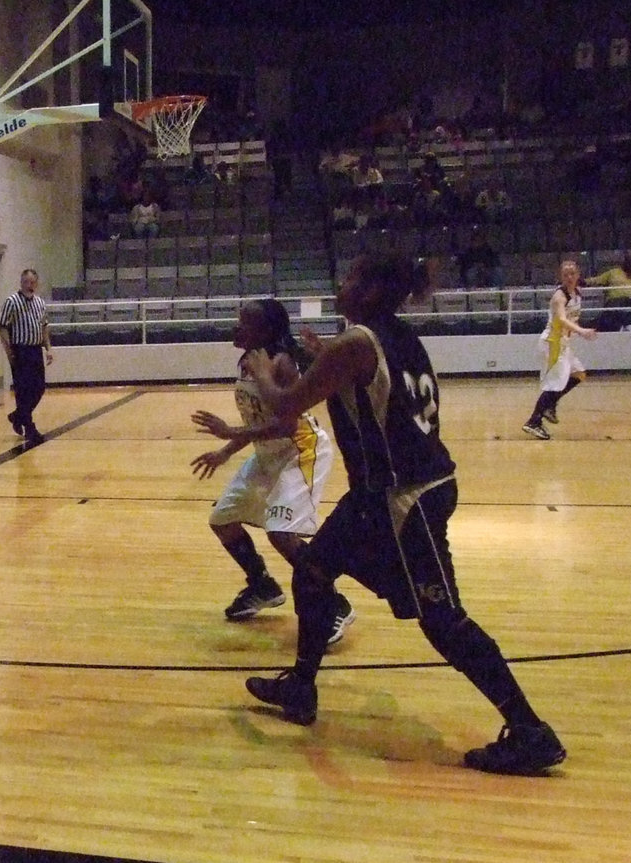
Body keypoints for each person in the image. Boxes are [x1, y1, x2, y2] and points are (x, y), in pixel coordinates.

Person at [243, 252, 567, 776]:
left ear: (371, 291)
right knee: (313, 570)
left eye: (351, 277)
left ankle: (530, 731)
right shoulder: (397, 337)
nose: (342, 283)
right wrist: (325, 360)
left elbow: (285, 406)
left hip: (404, 498)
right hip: (376, 498)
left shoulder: (355, 343)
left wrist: (261, 371)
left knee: (443, 620)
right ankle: (301, 686)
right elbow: (370, 395)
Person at [190, 299, 355, 645]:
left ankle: (335, 603)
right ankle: (262, 585)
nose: (237, 328)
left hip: (300, 450)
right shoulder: (247, 362)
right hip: (267, 454)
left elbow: (286, 425)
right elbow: (258, 420)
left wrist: (230, 433)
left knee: (281, 533)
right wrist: (225, 452)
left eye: (245, 323)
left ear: (265, 331)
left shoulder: (281, 363)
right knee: (222, 520)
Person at [522, 259, 599, 440]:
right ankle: (533, 421)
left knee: (579, 374)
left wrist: (576, 332)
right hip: (553, 343)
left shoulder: (577, 294)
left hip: (564, 343)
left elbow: (571, 319)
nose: (569, 277)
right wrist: (582, 331)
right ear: (561, 277)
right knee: (556, 385)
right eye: (566, 275)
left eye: (572, 273)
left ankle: (550, 405)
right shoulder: (559, 296)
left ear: (578, 275)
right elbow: (562, 319)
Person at [0, 268, 52, 444]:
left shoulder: (40, 303)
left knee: (39, 388)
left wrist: (48, 348)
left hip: (35, 350)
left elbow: (44, 326)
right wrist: (9, 350)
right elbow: (2, 326)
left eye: (32, 282)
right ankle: (30, 428)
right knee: (23, 390)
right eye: (26, 282)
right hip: (20, 350)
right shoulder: (12, 301)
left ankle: (17, 416)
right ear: (21, 283)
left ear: (37, 283)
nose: (29, 285)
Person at [584, 251, 631, 332]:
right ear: (624, 263)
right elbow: (596, 280)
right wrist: (582, 281)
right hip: (615, 301)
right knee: (614, 308)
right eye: (629, 262)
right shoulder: (613, 273)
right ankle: (621, 327)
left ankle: (629, 326)